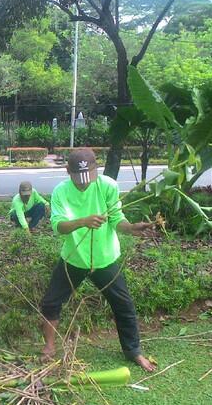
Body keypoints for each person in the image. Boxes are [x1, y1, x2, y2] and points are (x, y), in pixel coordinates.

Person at [40, 148, 156, 372]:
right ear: (68, 171)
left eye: (88, 179)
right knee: (51, 302)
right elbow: (58, 227)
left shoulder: (108, 186)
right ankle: (49, 347)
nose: (84, 184)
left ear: (97, 170)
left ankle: (134, 352)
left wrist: (131, 228)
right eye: (78, 180)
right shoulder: (61, 192)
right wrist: (82, 221)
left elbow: (116, 219)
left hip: (105, 258)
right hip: (74, 258)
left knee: (123, 305)